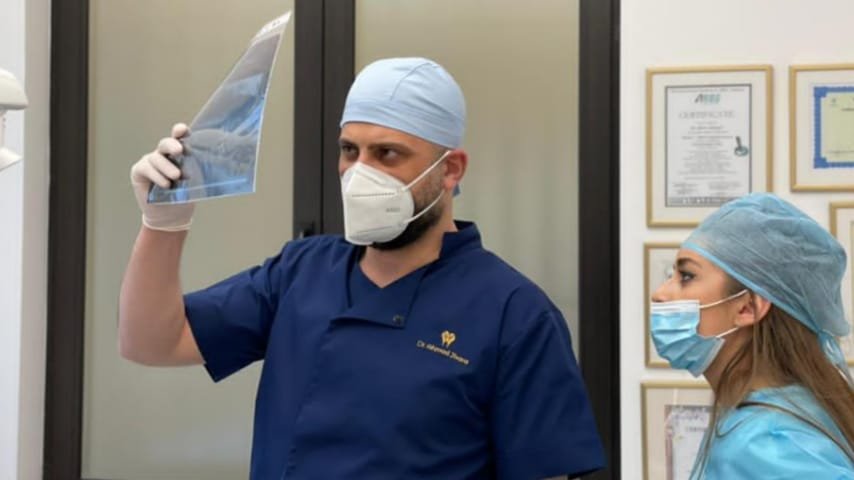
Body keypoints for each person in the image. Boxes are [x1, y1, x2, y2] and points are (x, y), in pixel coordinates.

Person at [120, 57, 604, 479]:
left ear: (450, 170)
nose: (359, 172)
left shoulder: (514, 314)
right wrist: (163, 225)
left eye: (387, 154)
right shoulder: (302, 272)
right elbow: (151, 342)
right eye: (350, 150)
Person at [650, 193, 854, 479]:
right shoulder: (782, 412)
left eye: (686, 276)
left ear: (748, 307)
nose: (659, 294)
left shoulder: (764, 445)